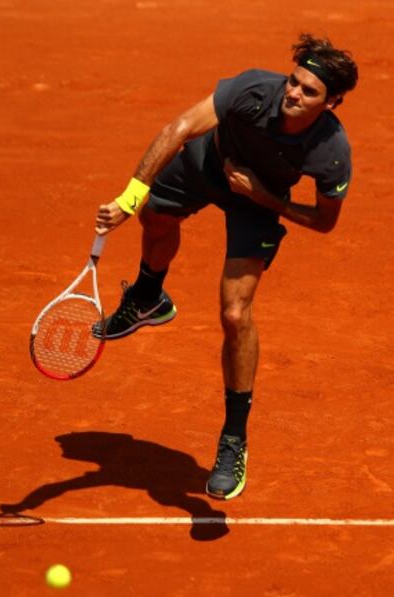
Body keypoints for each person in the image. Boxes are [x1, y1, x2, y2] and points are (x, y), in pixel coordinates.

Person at [93, 34, 358, 501]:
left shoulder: (331, 150)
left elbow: (324, 222)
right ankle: (148, 297)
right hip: (206, 166)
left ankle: (234, 439)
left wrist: (262, 196)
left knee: (235, 315)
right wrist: (130, 197)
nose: (293, 94)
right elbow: (179, 128)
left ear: (331, 101)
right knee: (155, 215)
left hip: (257, 201)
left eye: (308, 91)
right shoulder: (253, 89)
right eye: (294, 82)